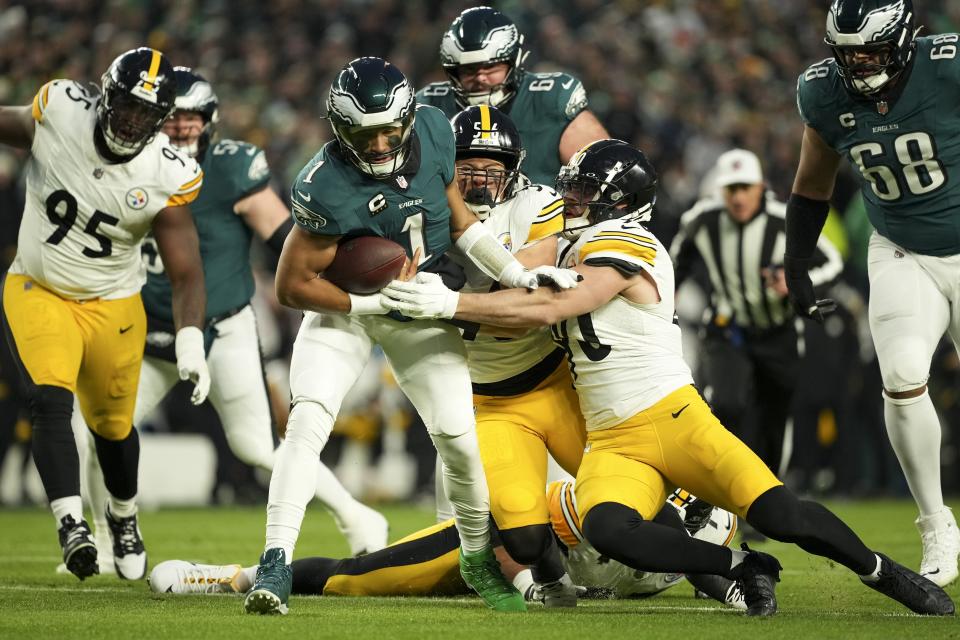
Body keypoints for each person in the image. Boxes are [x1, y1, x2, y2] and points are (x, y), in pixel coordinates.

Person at [381, 139, 954, 617]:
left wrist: (451, 305)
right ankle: (736, 565)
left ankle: (881, 572)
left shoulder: (628, 240)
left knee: (781, 515)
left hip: (671, 416)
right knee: (608, 528)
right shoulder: (577, 242)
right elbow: (516, 274)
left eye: (583, 191)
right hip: (611, 438)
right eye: (571, 187)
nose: (569, 199)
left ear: (618, 200)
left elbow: (553, 307)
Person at [244, 57, 579, 616]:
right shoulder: (322, 183)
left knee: (460, 441)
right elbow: (291, 286)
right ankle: (276, 561)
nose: (377, 145)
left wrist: (518, 274)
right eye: (362, 133)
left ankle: (476, 559)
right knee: (307, 421)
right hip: (347, 309)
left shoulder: (432, 129)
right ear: (339, 129)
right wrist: (367, 300)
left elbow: (463, 224)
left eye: (386, 130)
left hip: (420, 309)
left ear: (406, 118)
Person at [68, 67, 388, 575]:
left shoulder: (232, 168)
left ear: (209, 122)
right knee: (94, 433)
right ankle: (109, 543)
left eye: (193, 120)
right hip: (144, 327)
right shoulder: (128, 162)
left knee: (256, 445)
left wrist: (339, 272)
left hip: (224, 324)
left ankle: (356, 515)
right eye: (174, 119)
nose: (182, 130)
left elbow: (286, 237)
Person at [0, 47, 209, 580]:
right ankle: (72, 523)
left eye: (147, 113)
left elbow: (186, 270)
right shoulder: (61, 110)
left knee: (112, 428)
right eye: (126, 105)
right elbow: (17, 125)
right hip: (39, 287)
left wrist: (189, 340)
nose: (134, 120)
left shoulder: (167, 172)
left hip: (114, 302)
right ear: (103, 95)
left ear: (161, 120)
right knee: (49, 400)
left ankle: (123, 516)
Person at [784, 0, 960, 587]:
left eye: (871, 50)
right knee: (903, 373)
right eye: (848, 53)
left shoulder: (948, 64)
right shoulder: (824, 93)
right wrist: (796, 263)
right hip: (902, 248)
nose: (858, 64)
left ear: (906, 40)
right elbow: (812, 184)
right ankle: (936, 524)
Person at [149, 483, 745, 611]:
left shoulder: (702, 543)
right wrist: (530, 589)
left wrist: (747, 592)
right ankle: (230, 575)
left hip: (534, 567)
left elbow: (710, 576)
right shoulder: (609, 505)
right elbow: (524, 536)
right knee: (354, 578)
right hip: (491, 543)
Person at [444, 104, 587, 606]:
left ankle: (724, 571)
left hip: (555, 381)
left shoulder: (535, 203)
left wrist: (444, 302)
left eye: (491, 170)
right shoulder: (425, 208)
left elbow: (530, 305)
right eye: (466, 170)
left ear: (515, 171)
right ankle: (547, 580)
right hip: (483, 399)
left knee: (615, 492)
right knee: (521, 535)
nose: (479, 182)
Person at [671, 149, 843, 476]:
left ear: (761, 186)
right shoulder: (701, 220)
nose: (738, 197)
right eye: (731, 189)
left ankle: (764, 496)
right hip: (727, 329)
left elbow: (833, 263)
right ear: (721, 191)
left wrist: (797, 284)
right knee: (726, 404)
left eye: (744, 187)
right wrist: (664, 303)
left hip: (778, 331)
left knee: (774, 418)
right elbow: (674, 264)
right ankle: (720, 489)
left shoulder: (786, 219)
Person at [417, 6, 609, 185]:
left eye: (491, 67)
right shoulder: (430, 105)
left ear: (513, 62)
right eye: (469, 70)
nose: (481, 77)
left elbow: (605, 174)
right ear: (453, 72)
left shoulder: (550, 98)